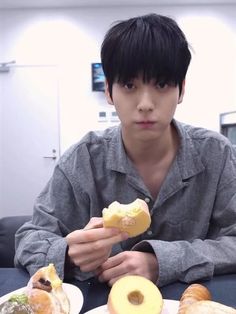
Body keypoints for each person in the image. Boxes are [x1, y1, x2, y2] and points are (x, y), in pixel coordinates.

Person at [15, 13, 236, 288]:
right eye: (129, 85)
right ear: (109, 90)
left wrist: (162, 261)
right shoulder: (82, 160)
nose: (145, 103)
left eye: (162, 84)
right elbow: (29, 238)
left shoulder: (217, 154)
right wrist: (68, 255)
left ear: (181, 90)